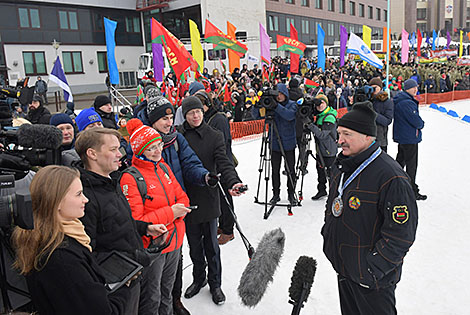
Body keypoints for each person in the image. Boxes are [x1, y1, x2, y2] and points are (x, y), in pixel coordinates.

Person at [12, 166, 165, 314]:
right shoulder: (62, 258)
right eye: (78, 194)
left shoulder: (46, 235)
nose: (86, 200)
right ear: (57, 201)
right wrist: (125, 286)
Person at [322, 102, 418, 315]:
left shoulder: (391, 177)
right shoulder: (342, 166)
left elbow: (401, 235)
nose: (340, 141)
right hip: (345, 270)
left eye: (347, 134)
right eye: (339, 133)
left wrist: (372, 269)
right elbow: (333, 207)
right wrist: (328, 237)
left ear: (368, 136)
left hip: (373, 282)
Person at [75, 128, 167, 314]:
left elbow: (118, 222)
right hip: (118, 287)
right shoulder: (85, 197)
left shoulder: (110, 181)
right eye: (113, 149)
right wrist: (128, 265)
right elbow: (88, 254)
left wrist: (145, 228)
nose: (120, 154)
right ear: (92, 154)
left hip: (131, 275)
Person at [177, 96, 245, 305]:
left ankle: (215, 284)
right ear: (185, 115)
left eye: (198, 111)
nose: (195, 116)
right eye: (191, 113)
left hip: (208, 197)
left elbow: (224, 163)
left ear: (203, 111)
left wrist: (233, 181)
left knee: (212, 247)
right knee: (194, 246)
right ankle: (199, 279)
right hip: (187, 198)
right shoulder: (178, 135)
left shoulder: (214, 135)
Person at [146, 94, 210, 315]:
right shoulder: (142, 142)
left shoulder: (176, 139)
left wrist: (204, 176)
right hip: (154, 214)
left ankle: (175, 300)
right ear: (152, 120)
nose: (168, 122)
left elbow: (190, 162)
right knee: (156, 266)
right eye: (163, 119)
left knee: (176, 258)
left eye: (171, 117)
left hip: (177, 209)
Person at [120, 119, 191, 315]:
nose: (157, 151)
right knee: (151, 297)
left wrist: (176, 214)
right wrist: (172, 214)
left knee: (167, 292)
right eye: (151, 148)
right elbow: (137, 220)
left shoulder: (163, 168)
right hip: (153, 247)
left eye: (158, 145)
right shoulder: (130, 177)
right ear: (140, 151)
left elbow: (182, 197)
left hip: (174, 242)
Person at [252, 83, 297, 205]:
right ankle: (275, 194)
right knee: (275, 170)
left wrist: (276, 106)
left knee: (290, 170)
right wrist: (258, 104)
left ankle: (291, 194)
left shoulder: (292, 104)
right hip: (274, 143)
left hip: (288, 144)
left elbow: (289, 116)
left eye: (281, 94)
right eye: (277, 94)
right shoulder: (270, 104)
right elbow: (256, 116)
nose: (279, 96)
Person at [393, 79, 427, 200]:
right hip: (409, 138)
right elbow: (415, 120)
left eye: (416, 87)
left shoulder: (402, 100)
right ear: (407, 88)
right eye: (413, 88)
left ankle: (394, 183)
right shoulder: (406, 103)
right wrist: (421, 124)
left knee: (400, 162)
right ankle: (411, 190)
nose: (416, 90)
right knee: (411, 165)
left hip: (404, 137)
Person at [305, 94, 337, 200]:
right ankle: (321, 190)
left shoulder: (330, 117)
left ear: (326, 103)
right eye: (317, 104)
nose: (319, 106)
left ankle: (334, 192)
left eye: (321, 103)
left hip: (329, 151)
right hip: (320, 150)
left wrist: (310, 125)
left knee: (331, 173)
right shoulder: (319, 116)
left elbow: (322, 135)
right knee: (320, 171)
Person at [369, 77, 394, 152]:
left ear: (380, 88)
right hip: (368, 138)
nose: (373, 90)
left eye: (375, 87)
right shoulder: (368, 100)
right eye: (371, 88)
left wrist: (373, 114)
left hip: (380, 139)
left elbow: (387, 120)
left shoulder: (387, 101)